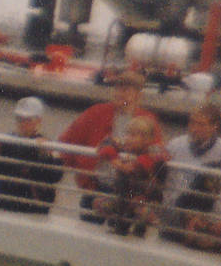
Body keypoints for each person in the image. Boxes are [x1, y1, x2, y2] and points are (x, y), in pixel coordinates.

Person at [58, 69, 160, 222]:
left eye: (125, 90)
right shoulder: (96, 113)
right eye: (117, 88)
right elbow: (68, 142)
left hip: (129, 190)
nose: (119, 93)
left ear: (138, 95)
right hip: (97, 187)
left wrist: (138, 166)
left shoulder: (148, 119)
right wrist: (81, 174)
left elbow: (157, 151)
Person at [0, 96, 64, 213]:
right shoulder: (5, 142)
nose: (22, 123)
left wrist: (44, 155)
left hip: (30, 203)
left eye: (28, 119)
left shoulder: (47, 146)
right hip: (2, 197)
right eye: (19, 118)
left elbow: (55, 176)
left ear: (38, 121)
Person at [158, 104, 221, 241]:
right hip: (172, 210)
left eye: (201, 124)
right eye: (192, 123)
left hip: (202, 215)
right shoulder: (175, 145)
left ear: (214, 126)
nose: (194, 129)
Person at [91, 115, 169, 236]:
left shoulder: (155, 151)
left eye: (133, 135)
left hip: (146, 199)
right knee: (99, 203)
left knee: (141, 210)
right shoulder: (126, 145)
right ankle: (119, 227)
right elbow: (105, 143)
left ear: (147, 139)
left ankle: (138, 233)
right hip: (124, 197)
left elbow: (152, 160)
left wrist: (130, 166)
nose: (128, 138)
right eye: (128, 134)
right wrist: (114, 159)